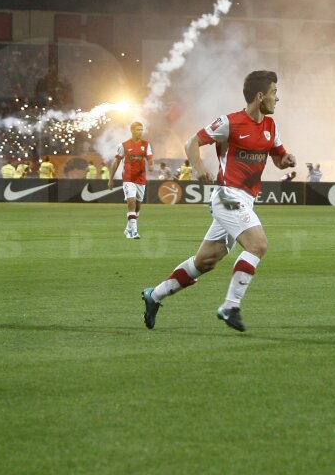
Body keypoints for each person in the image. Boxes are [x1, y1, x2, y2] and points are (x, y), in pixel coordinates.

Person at [141, 70, 296, 333]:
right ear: (260, 96)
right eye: (274, 93)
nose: (277, 98)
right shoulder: (229, 122)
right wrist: (199, 167)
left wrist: (287, 160)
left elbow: (278, 158)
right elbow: (192, 142)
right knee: (258, 245)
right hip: (227, 196)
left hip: (246, 200)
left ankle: (154, 295)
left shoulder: (271, 127)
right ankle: (230, 306)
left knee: (205, 262)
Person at [108, 121, 153, 239]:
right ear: (132, 130)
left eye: (141, 129)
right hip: (128, 179)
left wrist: (151, 165)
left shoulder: (146, 145)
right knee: (131, 203)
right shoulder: (124, 145)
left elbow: (149, 158)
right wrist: (110, 179)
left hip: (141, 179)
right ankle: (134, 232)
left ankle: (128, 229)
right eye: (138, 129)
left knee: (138, 206)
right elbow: (116, 161)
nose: (140, 132)